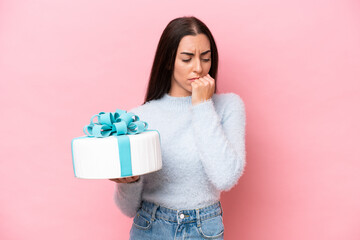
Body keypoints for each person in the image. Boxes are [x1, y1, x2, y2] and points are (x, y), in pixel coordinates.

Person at [109, 16, 246, 239]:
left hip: (204, 229)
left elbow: (225, 178)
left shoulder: (228, 107)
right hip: (150, 227)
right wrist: (129, 182)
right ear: (168, 61)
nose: (199, 68)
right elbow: (127, 209)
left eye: (206, 58)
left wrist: (202, 105)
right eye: (187, 59)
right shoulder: (140, 117)